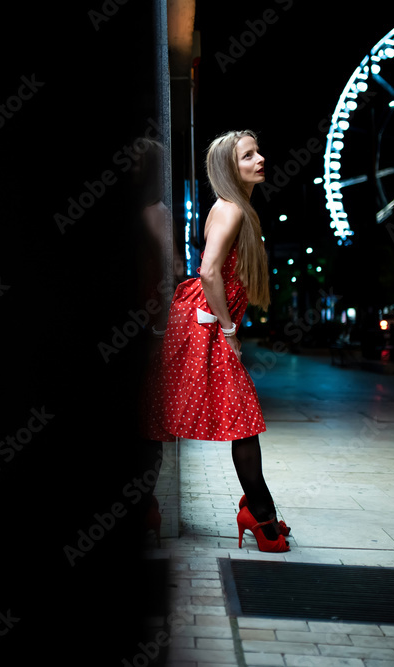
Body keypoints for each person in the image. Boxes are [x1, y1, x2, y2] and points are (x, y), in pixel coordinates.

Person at [143, 129, 289, 552]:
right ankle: (260, 515)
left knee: (160, 414)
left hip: (200, 322)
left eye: (258, 152)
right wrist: (229, 331)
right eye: (248, 156)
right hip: (202, 326)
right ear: (229, 167)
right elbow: (208, 271)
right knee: (239, 416)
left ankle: (147, 508)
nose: (260, 159)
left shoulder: (235, 208)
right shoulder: (231, 209)